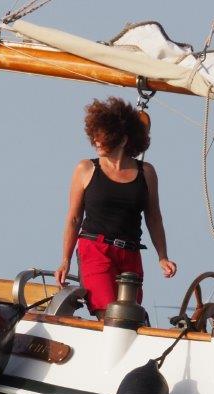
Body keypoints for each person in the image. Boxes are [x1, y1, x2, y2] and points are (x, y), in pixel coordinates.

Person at [54, 96, 177, 318]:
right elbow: (74, 219)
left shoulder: (147, 173)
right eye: (95, 135)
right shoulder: (85, 169)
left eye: (103, 137)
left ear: (122, 140)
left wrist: (163, 256)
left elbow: (153, 217)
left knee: (129, 317)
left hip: (130, 254)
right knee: (111, 315)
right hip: (95, 250)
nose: (96, 141)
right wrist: (66, 260)